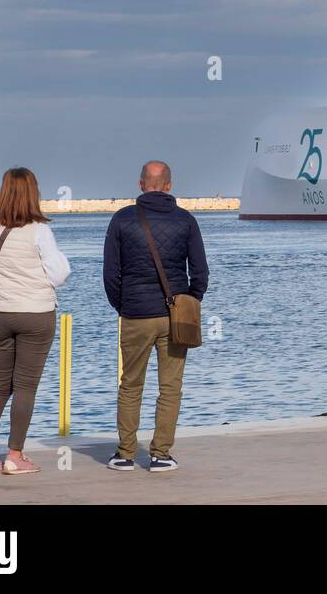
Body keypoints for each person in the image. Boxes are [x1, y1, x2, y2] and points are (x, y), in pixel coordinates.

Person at [103, 160, 209, 472]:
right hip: (175, 315)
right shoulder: (186, 221)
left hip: (135, 314)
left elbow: (111, 274)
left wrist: (123, 305)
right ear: (168, 186)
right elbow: (200, 272)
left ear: (140, 184)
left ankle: (125, 454)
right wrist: (190, 301)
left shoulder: (121, 220)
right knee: (171, 386)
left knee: (130, 385)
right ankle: (161, 454)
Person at [0, 168, 70, 475]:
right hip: (35, 314)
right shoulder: (38, 229)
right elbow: (59, 274)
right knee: (25, 387)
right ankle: (15, 456)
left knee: (1, 384)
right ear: (32, 192)